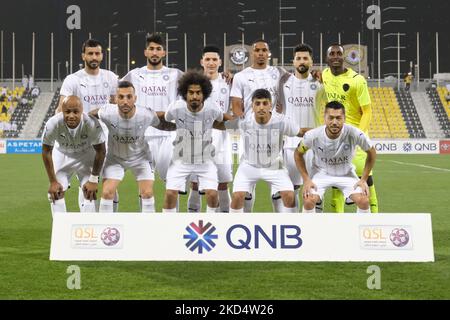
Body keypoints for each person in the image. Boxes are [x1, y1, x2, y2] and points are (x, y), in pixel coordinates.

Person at [89, 81, 175, 213]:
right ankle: (105, 229)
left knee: (147, 193)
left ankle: (147, 230)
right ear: (115, 99)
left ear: (135, 98)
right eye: (121, 97)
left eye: (129, 97)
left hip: (141, 158)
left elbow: (163, 124)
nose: (125, 101)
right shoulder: (107, 112)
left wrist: (183, 124)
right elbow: (90, 116)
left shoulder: (145, 114)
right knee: (107, 193)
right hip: (115, 159)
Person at [57, 39, 119, 211]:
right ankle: (87, 223)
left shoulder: (111, 78)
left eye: (97, 53)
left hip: (105, 137)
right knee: (86, 180)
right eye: (90, 53)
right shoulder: (73, 79)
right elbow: (61, 107)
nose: (94, 56)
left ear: (102, 55)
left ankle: (107, 224)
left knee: (108, 183)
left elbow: (116, 105)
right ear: (83, 55)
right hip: (81, 138)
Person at [162, 71, 234, 212]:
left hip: (205, 160)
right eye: (191, 92)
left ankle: (212, 227)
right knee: (170, 193)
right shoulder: (175, 107)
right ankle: (167, 228)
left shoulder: (213, 108)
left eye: (198, 93)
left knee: (213, 195)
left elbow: (221, 121)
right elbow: (165, 119)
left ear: (204, 94)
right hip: (180, 159)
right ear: (185, 94)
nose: (194, 96)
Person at [230, 38, 287, 212]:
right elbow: (236, 104)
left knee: (277, 187)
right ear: (252, 53)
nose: (261, 53)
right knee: (247, 184)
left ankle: (280, 222)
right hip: (251, 133)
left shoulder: (279, 73)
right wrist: (245, 123)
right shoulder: (241, 76)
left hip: (274, 131)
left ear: (268, 53)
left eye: (264, 50)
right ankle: (246, 220)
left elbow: (295, 83)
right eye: (257, 50)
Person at [229, 89, 308, 213]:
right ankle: (235, 228)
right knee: (237, 197)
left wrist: (323, 131)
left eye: (265, 103)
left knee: (289, 196)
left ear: (270, 105)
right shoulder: (243, 121)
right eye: (258, 103)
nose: (261, 107)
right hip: (249, 165)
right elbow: (221, 124)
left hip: (274, 165)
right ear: (252, 106)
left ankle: (290, 227)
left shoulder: (281, 121)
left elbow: (301, 132)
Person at [321, 44, 378, 213]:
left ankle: (375, 221)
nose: (336, 56)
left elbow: (367, 111)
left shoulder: (357, 80)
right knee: (337, 185)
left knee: (366, 182)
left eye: (340, 53)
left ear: (344, 57)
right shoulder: (324, 75)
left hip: (355, 141)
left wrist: (359, 136)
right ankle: (339, 226)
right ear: (327, 58)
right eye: (332, 54)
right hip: (335, 139)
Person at [121, 33, 183, 184]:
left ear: (164, 52)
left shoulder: (176, 74)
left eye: (158, 49)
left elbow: (200, 85)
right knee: (145, 185)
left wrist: (225, 76)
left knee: (171, 182)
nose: (155, 52)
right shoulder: (134, 74)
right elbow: (115, 93)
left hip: (169, 135)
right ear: (146, 52)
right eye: (151, 49)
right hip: (143, 135)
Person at [294, 101, 376, 213]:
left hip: (346, 175)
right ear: (325, 118)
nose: (334, 122)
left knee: (364, 201)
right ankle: (310, 229)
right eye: (331, 118)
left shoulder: (354, 133)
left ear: (344, 118)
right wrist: (306, 179)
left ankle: (361, 229)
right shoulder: (313, 135)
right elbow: (298, 154)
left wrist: (363, 179)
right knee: (308, 201)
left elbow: (371, 152)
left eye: (338, 118)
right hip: (321, 175)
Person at [275, 43, 326, 212]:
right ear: (293, 61)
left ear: (312, 61)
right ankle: (294, 226)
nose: (301, 61)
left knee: (315, 190)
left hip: (315, 146)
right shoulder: (284, 82)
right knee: (291, 190)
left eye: (305, 58)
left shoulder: (320, 83)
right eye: (298, 58)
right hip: (291, 144)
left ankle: (315, 226)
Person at [187, 45, 233, 213]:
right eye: (208, 59)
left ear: (220, 62)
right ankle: (194, 220)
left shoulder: (228, 82)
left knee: (223, 182)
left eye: (214, 59)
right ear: (202, 62)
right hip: (198, 137)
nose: (211, 63)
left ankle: (225, 220)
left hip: (221, 137)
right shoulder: (193, 84)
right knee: (195, 182)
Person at [42, 96, 106, 214]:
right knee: (56, 192)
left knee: (89, 192)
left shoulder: (91, 123)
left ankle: (88, 229)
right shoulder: (53, 123)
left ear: (81, 111)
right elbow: (46, 151)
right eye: (67, 112)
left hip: (86, 155)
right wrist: (53, 182)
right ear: (62, 110)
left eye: (76, 112)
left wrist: (93, 179)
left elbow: (101, 151)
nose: (71, 116)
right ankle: (60, 230)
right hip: (62, 155)